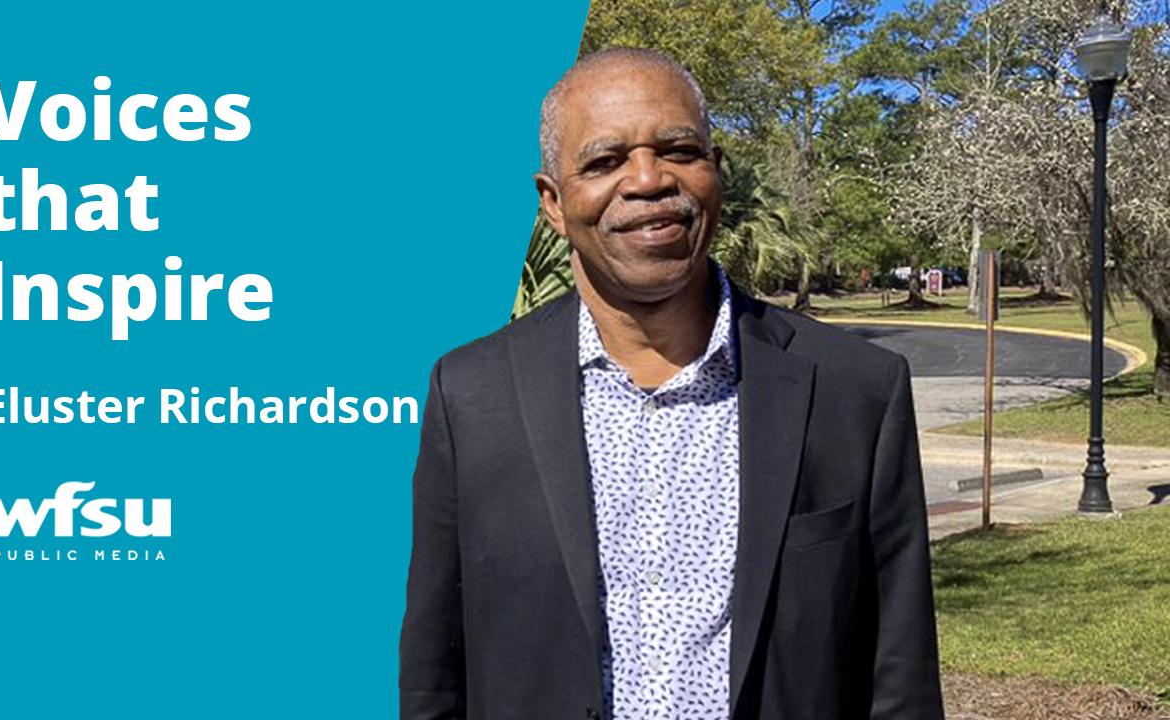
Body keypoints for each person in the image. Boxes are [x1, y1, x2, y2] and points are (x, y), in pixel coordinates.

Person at [400, 47, 943, 720]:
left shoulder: (855, 390)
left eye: (680, 150)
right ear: (553, 203)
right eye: (604, 162)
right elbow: (434, 674)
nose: (650, 179)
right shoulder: (472, 394)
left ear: (718, 172)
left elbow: (900, 678)